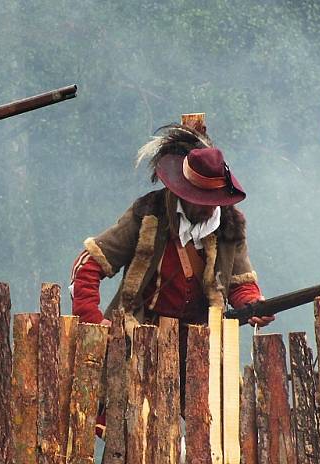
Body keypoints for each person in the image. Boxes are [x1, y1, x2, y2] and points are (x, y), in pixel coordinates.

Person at [68, 124, 273, 437]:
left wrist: (251, 304)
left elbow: (240, 284)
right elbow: (89, 265)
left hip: (198, 344)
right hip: (141, 341)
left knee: (210, 434)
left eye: (213, 199)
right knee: (133, 436)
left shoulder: (230, 225)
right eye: (201, 198)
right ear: (183, 193)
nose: (208, 206)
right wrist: (94, 323)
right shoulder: (148, 213)